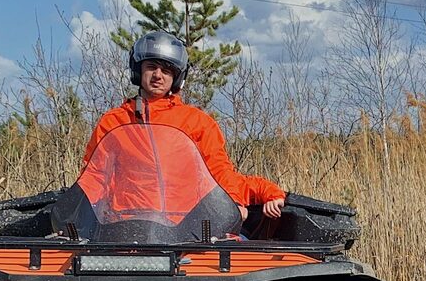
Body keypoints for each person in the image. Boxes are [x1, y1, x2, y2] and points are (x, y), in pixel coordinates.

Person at [83, 30, 285, 223]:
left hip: (185, 228)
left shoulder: (197, 122)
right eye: (151, 66)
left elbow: (220, 173)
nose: (158, 75)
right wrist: (74, 209)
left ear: (177, 78)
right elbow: (95, 176)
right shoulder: (113, 121)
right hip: (124, 226)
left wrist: (250, 197)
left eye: (167, 70)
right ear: (138, 70)